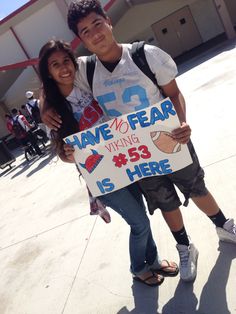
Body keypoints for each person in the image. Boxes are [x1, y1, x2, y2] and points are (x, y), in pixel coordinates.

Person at [41, 0, 236, 283]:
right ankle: (184, 247)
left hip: (168, 138)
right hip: (134, 155)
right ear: (81, 39)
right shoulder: (86, 69)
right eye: (85, 31)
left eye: (97, 23)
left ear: (108, 20)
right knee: (164, 200)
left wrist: (181, 122)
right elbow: (54, 76)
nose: (95, 34)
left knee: (195, 186)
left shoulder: (146, 55)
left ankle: (224, 225)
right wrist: (44, 106)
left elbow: (173, 92)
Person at [38, 39, 179, 287]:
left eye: (66, 61)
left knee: (142, 215)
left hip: (124, 162)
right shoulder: (53, 110)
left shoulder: (88, 84)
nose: (63, 68)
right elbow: (60, 151)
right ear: (48, 72)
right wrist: (68, 154)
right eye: (55, 64)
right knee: (139, 222)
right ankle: (138, 268)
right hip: (102, 175)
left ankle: (153, 260)